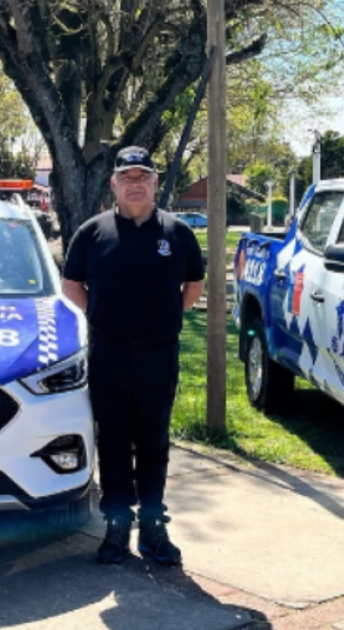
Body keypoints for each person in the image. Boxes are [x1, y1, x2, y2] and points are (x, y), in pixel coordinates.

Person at [61, 147, 205, 566]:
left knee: (154, 442)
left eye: (143, 177)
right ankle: (117, 524)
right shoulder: (92, 233)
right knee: (113, 442)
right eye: (127, 177)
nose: (135, 184)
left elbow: (193, 285)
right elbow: (71, 285)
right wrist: (100, 314)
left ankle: (154, 525)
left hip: (158, 356)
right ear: (114, 184)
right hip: (109, 355)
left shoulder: (178, 233)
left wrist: (166, 317)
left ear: (156, 183)